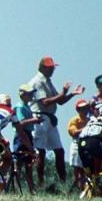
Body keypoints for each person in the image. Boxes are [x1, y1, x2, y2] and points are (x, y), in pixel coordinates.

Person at [26, 56, 85, 190]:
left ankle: (62, 183)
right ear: (42, 67)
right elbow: (45, 101)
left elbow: (59, 100)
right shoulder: (37, 81)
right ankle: (40, 184)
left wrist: (72, 94)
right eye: (49, 67)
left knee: (59, 151)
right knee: (40, 151)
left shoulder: (47, 81)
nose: (52, 70)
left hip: (49, 118)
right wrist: (64, 92)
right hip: (40, 117)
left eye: (52, 67)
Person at [67, 99, 92, 187]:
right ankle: (76, 188)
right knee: (77, 170)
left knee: (84, 170)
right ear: (78, 110)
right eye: (82, 108)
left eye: (86, 108)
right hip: (77, 145)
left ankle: (82, 189)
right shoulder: (75, 120)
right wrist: (86, 128)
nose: (84, 110)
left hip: (86, 146)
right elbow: (73, 132)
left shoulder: (90, 120)